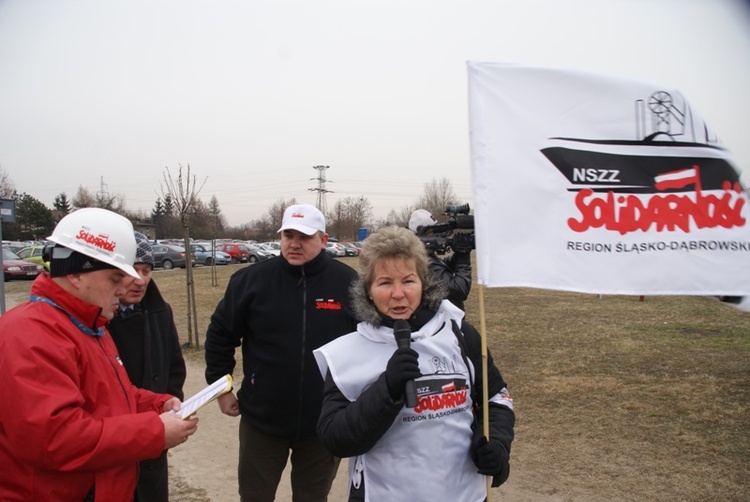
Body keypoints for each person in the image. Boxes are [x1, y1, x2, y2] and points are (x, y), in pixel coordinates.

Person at [0, 208, 198, 502]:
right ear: (77, 273)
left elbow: (109, 396)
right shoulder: (30, 334)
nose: (124, 289)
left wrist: (156, 404)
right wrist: (153, 431)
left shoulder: (90, 325)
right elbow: (55, 439)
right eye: (115, 278)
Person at [314, 225, 514, 501]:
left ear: (424, 282)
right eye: (384, 283)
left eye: (408, 281)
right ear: (368, 290)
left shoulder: (459, 333)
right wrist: (387, 390)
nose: (398, 294)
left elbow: (497, 397)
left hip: (464, 494)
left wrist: (498, 444)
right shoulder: (348, 352)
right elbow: (335, 439)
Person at [204, 203, 358, 502]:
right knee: (255, 496)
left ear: (323, 240)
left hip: (323, 423)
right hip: (262, 420)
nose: (294, 244)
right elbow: (221, 335)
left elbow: (368, 343)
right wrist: (221, 389)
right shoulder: (250, 281)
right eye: (288, 235)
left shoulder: (348, 284)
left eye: (304, 236)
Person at [108, 231, 187, 502]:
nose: (140, 281)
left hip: (153, 445)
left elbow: (174, 368)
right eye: (132, 270)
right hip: (112, 446)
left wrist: (172, 405)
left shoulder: (159, 311)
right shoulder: (95, 318)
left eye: (147, 270)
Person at [408, 208, 473, 310]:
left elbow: (442, 267)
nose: (436, 235)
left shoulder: (422, 256)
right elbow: (459, 290)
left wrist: (460, 253)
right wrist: (463, 258)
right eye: (432, 232)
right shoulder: (424, 262)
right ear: (421, 233)